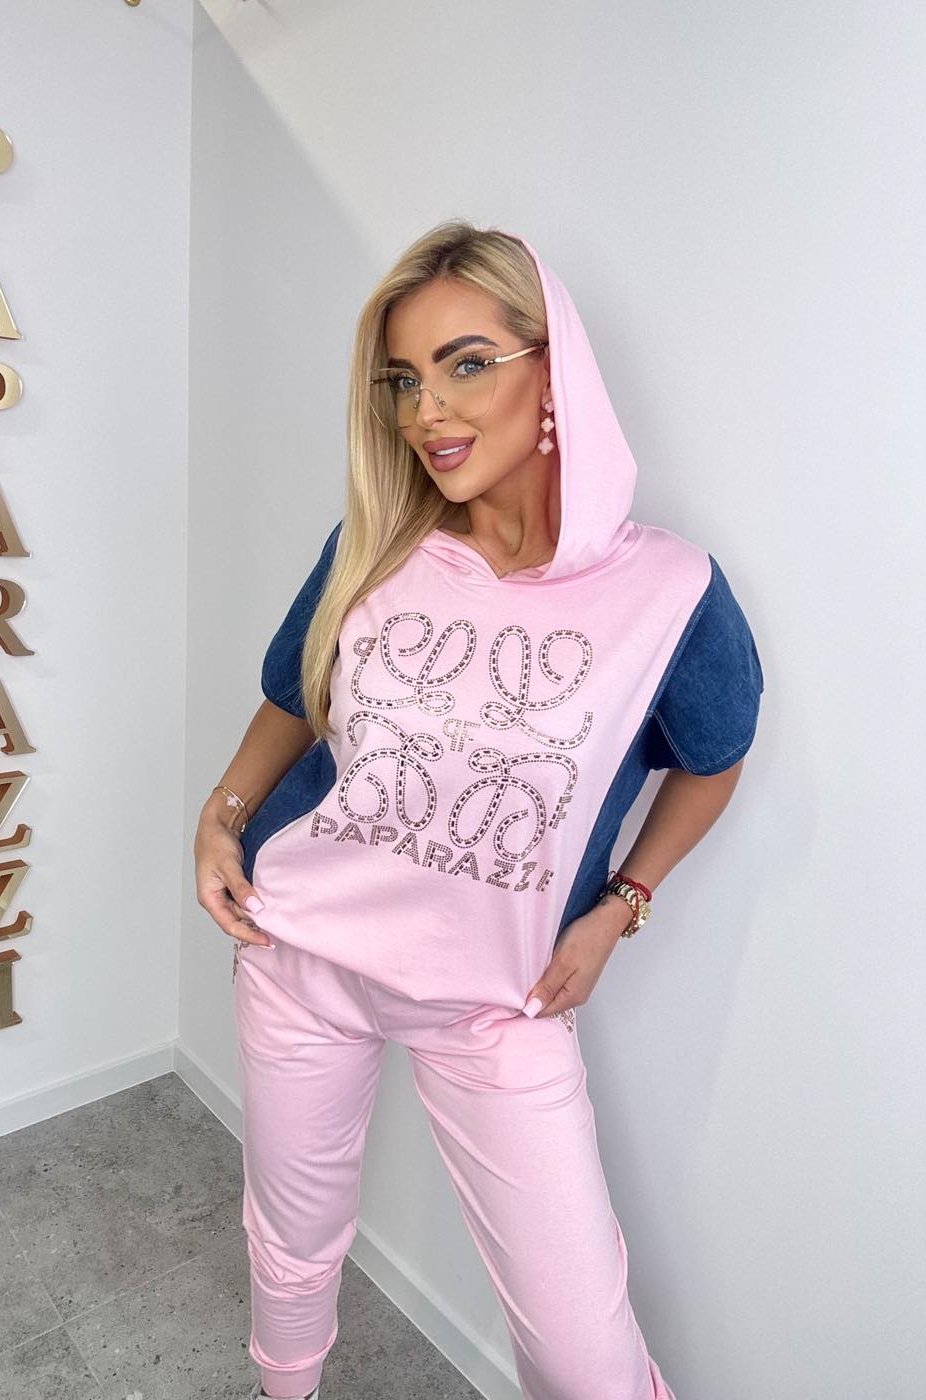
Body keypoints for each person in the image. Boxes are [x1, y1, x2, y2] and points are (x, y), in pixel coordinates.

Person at [193, 221, 764, 1400]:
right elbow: (295, 695)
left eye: (465, 364)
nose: (427, 411)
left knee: (583, 1354)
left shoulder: (669, 591)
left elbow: (714, 760)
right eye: (404, 379)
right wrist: (223, 808)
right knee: (292, 1243)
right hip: (300, 958)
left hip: (497, 1002)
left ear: (556, 372)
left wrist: (622, 903)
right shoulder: (375, 545)